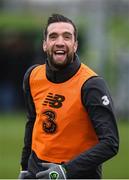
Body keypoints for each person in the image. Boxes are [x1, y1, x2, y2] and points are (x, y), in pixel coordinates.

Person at [19, 13, 119, 179]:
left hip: (77, 174)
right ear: (45, 45)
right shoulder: (32, 76)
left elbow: (110, 143)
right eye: (53, 36)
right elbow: (32, 122)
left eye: (67, 37)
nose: (60, 42)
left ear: (75, 45)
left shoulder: (91, 85)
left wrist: (65, 171)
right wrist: (24, 168)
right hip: (37, 170)